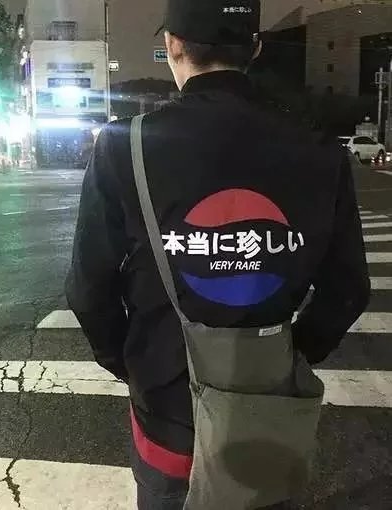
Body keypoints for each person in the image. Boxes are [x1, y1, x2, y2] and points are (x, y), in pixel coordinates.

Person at [65, 0, 370, 508]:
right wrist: (292, 355)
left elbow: (87, 289)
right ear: (255, 47)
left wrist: (137, 364)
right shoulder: (318, 149)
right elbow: (348, 290)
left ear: (172, 45)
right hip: (266, 411)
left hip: (166, 408)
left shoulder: (125, 146)